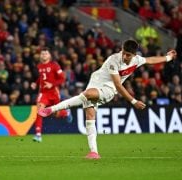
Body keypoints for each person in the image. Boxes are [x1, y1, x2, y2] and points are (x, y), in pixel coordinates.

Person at [38, 39, 177, 159]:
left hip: (108, 89)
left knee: (87, 94)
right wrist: (133, 101)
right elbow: (119, 82)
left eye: (128, 55)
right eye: (123, 52)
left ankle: (52, 109)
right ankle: (94, 152)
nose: (124, 56)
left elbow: (149, 61)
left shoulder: (137, 60)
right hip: (95, 81)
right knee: (90, 116)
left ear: (134, 55)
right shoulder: (114, 60)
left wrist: (168, 58)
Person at [31, 47, 72, 142]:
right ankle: (38, 135)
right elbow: (41, 78)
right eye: (42, 54)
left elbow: (62, 78)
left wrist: (52, 84)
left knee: (55, 114)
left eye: (45, 53)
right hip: (43, 93)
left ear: (49, 55)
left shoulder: (54, 65)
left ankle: (66, 112)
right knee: (39, 110)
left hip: (53, 93)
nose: (43, 55)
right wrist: (35, 83)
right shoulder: (39, 66)